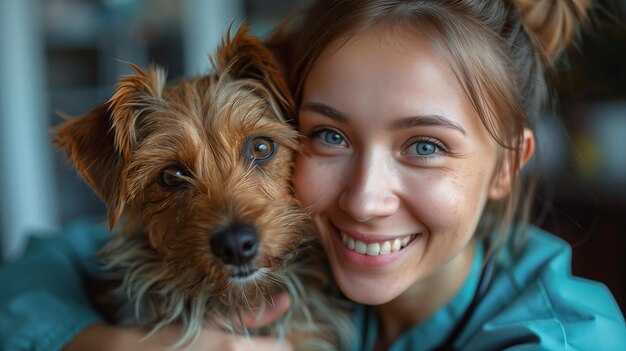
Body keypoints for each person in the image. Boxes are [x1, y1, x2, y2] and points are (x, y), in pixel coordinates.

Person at [1, 0, 625, 350]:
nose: (365, 199)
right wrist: (104, 346)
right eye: (329, 136)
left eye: (426, 145)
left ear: (508, 165)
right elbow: (33, 269)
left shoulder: (561, 337)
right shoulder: (312, 257)